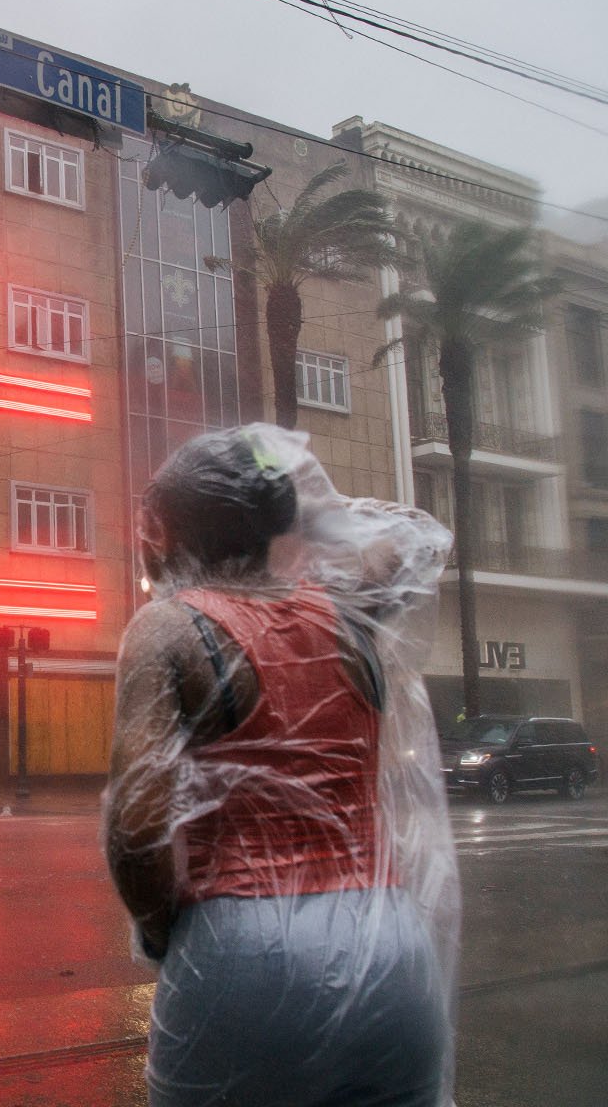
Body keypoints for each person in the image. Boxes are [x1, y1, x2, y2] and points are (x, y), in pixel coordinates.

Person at [103, 426, 458, 1107]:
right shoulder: (351, 619)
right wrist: (306, 510)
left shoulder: (171, 627)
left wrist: (156, 928)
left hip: (243, 953)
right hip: (389, 944)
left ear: (169, 533)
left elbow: (138, 827)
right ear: (278, 522)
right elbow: (408, 549)